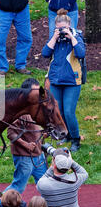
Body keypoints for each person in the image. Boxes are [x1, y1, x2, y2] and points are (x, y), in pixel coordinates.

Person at [42, 9, 85, 152]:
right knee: (58, 111)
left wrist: (71, 37)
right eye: (58, 28)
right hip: (55, 80)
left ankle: (76, 140)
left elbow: (81, 53)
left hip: (72, 81)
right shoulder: (55, 39)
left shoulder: (77, 36)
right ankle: (65, 135)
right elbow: (45, 54)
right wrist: (53, 38)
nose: (61, 31)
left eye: (63, 28)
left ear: (69, 25)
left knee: (68, 111)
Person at [5, 78, 47, 194]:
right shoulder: (20, 112)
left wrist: (43, 134)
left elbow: (33, 130)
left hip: (39, 156)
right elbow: (10, 133)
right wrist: (26, 144)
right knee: (18, 187)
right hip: (24, 158)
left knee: (46, 185)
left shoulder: (36, 109)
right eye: (36, 91)